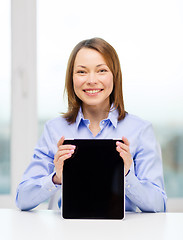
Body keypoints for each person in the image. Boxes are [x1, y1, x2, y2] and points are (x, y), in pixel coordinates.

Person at [16, 37, 167, 212]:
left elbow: (159, 206)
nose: (92, 80)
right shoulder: (55, 129)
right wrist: (56, 178)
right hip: (68, 232)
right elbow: (22, 199)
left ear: (115, 76)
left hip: (123, 232)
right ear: (71, 78)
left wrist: (126, 175)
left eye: (101, 70)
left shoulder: (140, 130)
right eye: (81, 72)